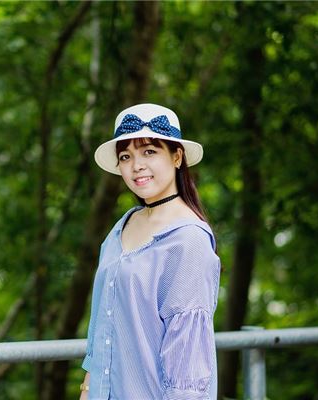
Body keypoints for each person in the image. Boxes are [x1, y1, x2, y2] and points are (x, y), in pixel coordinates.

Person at [79, 104, 221, 400]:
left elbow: (188, 370)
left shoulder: (189, 241)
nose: (136, 166)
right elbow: (101, 335)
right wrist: (87, 390)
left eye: (149, 152)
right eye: (126, 156)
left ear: (177, 157)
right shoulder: (121, 227)